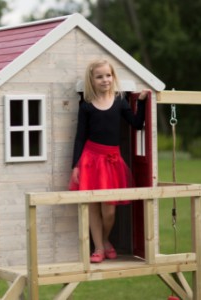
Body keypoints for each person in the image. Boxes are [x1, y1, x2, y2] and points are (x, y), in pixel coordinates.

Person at [69, 59, 150, 263]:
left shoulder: (120, 101)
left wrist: (140, 102)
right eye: (99, 76)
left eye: (108, 75)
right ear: (92, 80)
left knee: (109, 210)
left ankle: (105, 240)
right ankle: (98, 248)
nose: (105, 79)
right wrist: (75, 166)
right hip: (89, 159)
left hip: (112, 161)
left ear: (113, 77)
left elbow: (137, 123)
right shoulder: (86, 106)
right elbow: (79, 137)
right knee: (93, 206)